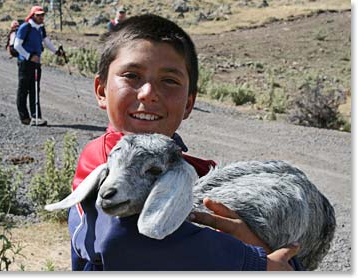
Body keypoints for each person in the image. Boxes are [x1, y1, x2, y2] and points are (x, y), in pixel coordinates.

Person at [68, 14, 302, 271]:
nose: (148, 93)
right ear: (102, 91)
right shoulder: (102, 159)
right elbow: (120, 239)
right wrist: (254, 261)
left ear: (189, 103)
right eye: (132, 75)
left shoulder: (193, 171)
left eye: (169, 81)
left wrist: (265, 252)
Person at [14, 6, 62, 126]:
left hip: (36, 63)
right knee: (23, 90)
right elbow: (17, 45)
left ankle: (36, 117)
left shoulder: (41, 28)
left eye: (42, 15)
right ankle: (24, 117)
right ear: (32, 15)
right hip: (25, 63)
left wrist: (56, 52)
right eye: (38, 15)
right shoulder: (25, 27)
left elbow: (46, 42)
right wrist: (29, 56)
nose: (41, 17)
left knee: (35, 89)